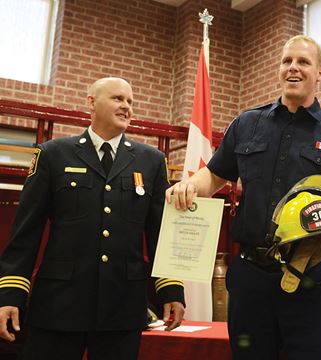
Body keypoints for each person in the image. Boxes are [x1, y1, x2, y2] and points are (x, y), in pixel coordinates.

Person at [167, 35, 321, 359]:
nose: (293, 67)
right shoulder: (247, 123)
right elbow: (216, 175)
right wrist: (190, 185)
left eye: (303, 62)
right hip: (251, 278)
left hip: (312, 278)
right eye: (287, 61)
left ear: (320, 72)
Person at [0, 77, 185, 359]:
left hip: (122, 306)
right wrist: (10, 293)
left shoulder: (151, 161)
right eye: (118, 99)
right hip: (59, 305)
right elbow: (26, 231)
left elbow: (160, 231)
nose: (126, 107)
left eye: (130, 102)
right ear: (91, 102)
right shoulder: (53, 154)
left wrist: (170, 289)